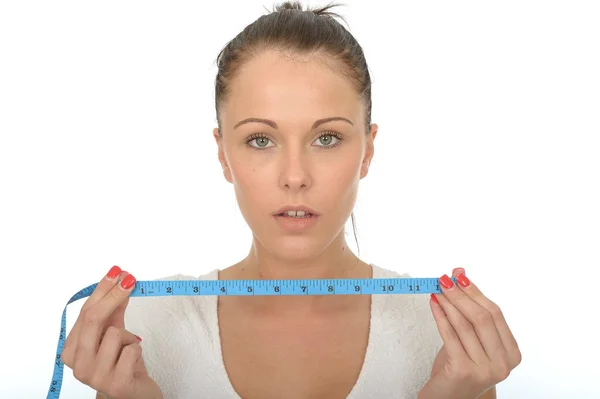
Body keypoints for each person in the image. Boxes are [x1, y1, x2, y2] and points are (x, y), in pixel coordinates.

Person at [60, 2, 521, 398]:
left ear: (369, 150)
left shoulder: (448, 343)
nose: (295, 177)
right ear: (223, 154)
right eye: (260, 140)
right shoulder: (144, 330)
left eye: (327, 138)